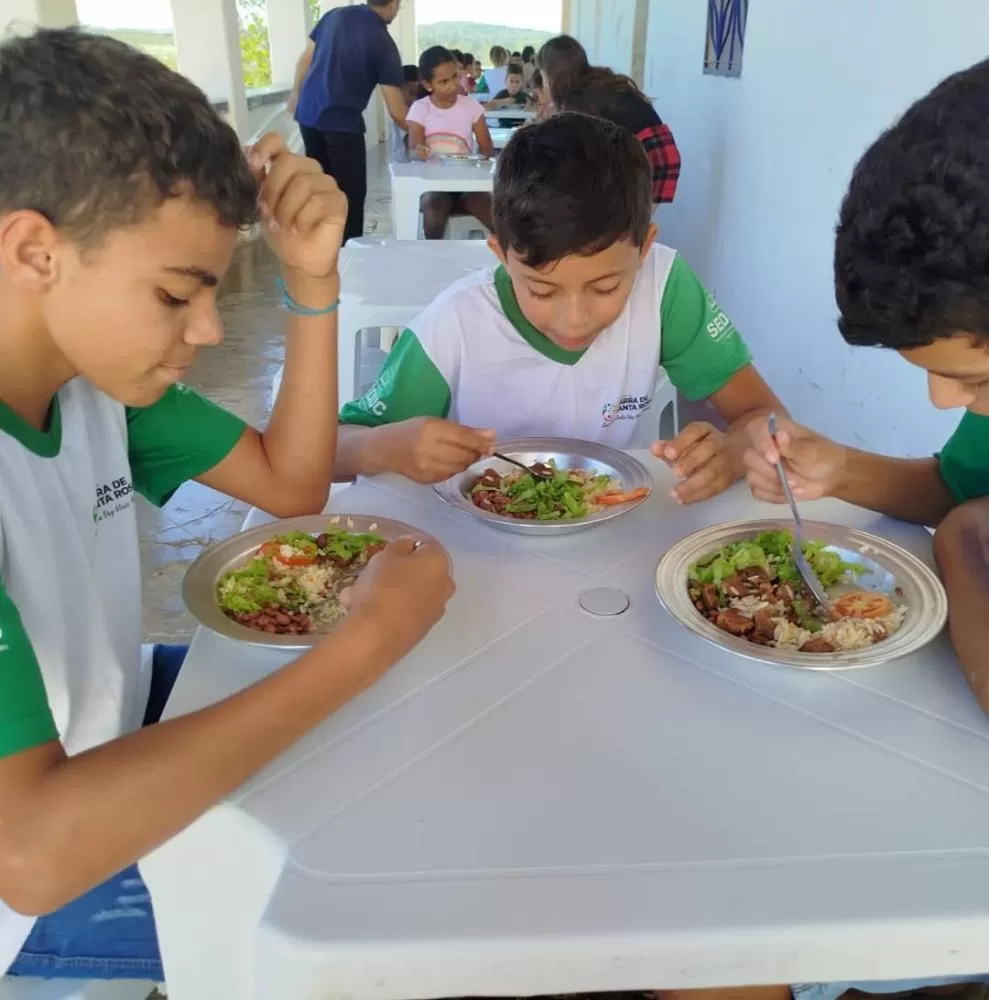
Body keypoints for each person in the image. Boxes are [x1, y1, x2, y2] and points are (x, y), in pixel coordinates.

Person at [0, 28, 454, 981]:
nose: (208, 330)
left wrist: (312, 279)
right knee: (359, 900)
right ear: (35, 250)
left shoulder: (88, 384)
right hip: (31, 888)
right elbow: (32, 856)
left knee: (395, 753)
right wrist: (361, 643)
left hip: (102, 729)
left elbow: (290, 486)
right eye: (175, 295)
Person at [333, 113, 782, 506]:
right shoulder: (455, 324)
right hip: (477, 550)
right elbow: (329, 451)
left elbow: (765, 417)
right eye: (543, 291)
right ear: (501, 254)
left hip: (619, 538)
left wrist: (736, 449)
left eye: (606, 286)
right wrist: (385, 446)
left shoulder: (664, 286)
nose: (575, 319)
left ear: (645, 248)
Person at [289, 0, 410, 244]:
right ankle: (348, 255)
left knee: (320, 187)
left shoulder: (334, 16)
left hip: (309, 115)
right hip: (342, 124)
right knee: (350, 198)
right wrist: (424, 129)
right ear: (395, 3)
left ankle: (317, 248)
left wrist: (295, 94)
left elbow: (305, 59)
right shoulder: (383, 43)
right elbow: (397, 111)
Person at [538, 34, 681, 206]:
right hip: (658, 151)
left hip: (647, 155)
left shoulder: (579, 101)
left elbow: (579, 156)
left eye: (544, 76)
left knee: (619, 224)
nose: (544, 83)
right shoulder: (596, 82)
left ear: (553, 74)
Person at [407, 46, 496, 239]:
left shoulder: (471, 107)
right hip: (433, 185)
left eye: (455, 77)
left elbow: (487, 148)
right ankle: (437, 260)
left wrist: (480, 159)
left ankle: (508, 257)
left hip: (467, 185)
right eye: (443, 82)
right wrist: (419, 152)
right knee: (434, 209)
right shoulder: (420, 109)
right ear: (428, 84)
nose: (452, 85)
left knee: (496, 214)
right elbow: (413, 150)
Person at [387, 64, 420, 162]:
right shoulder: (400, 113)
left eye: (419, 94)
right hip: (403, 167)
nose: (415, 99)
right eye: (412, 93)